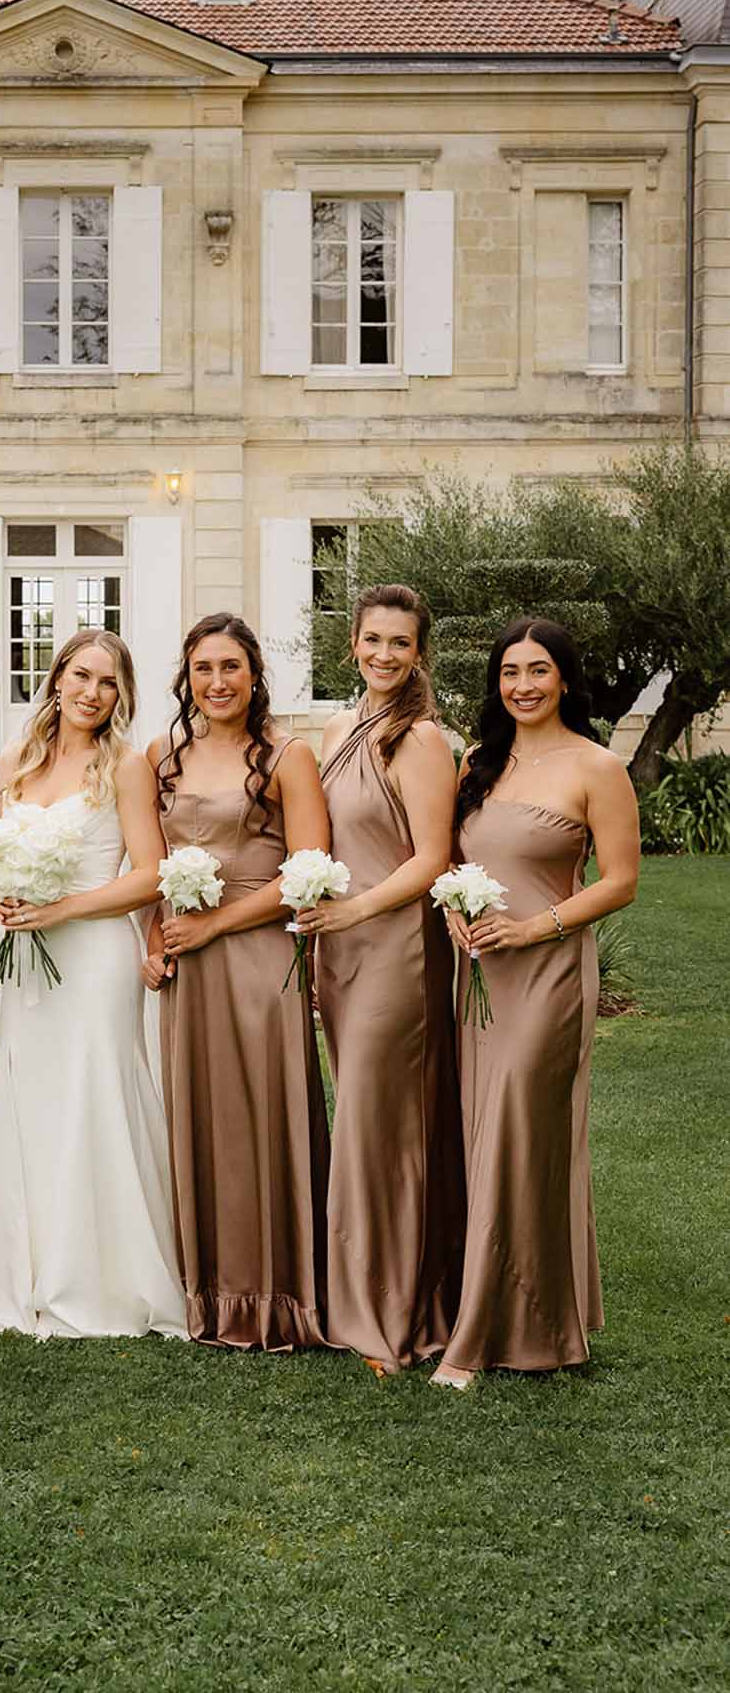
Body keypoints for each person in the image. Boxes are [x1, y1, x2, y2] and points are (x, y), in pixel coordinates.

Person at [433, 619, 639, 1388]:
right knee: (482, 1129)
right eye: (510, 672)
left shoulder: (596, 766)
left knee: (523, 1128)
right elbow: (454, 856)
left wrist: (535, 927)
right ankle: (533, 1315)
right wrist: (454, 906)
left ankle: (483, 1334)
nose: (523, 685)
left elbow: (620, 880)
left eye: (539, 670)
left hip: (548, 971)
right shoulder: (477, 764)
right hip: (480, 972)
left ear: (565, 678)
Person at [0, 629, 185, 1340]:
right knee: (32, 1099)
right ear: (56, 678)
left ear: (120, 695)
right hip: (30, 957)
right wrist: (6, 895)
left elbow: (148, 873)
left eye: (109, 682)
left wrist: (60, 908)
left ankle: (106, 1282)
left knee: (95, 1099)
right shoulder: (14, 761)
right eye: (83, 676)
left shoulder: (124, 766)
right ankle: (26, 1275)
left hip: (94, 956)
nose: (93, 693)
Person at [146, 613, 330, 1351]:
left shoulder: (288, 756)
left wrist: (217, 925)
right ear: (186, 679)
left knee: (264, 1113)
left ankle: (283, 1297)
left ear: (255, 674)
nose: (216, 683)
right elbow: (145, 859)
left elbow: (308, 872)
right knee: (204, 1117)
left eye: (229, 667)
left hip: (257, 956)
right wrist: (152, 938)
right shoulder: (163, 755)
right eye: (202, 670)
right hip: (188, 962)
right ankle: (212, 1294)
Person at [295, 585, 464, 1372]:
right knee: (363, 1119)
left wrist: (355, 911)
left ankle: (391, 1315)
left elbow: (431, 858)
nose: (385, 656)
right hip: (342, 946)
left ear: (419, 653)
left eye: (401, 644)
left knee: (381, 1127)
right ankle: (359, 1293)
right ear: (353, 645)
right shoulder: (337, 728)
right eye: (373, 641)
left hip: (396, 947)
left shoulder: (423, 740)